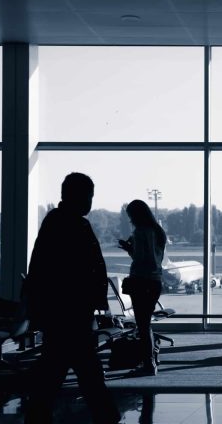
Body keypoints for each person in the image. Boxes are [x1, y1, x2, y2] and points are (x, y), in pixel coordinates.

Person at [24, 172, 121, 424]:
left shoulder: (56, 222)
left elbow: (40, 270)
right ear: (79, 196)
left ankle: (38, 415)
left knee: (58, 369)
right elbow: (83, 269)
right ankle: (106, 416)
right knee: (84, 371)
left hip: (61, 312)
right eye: (89, 197)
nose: (90, 202)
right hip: (72, 312)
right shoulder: (75, 225)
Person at [118, 199, 167, 376]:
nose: (130, 219)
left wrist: (128, 248)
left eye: (131, 215)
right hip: (155, 281)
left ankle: (148, 364)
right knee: (145, 324)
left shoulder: (140, 232)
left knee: (143, 325)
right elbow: (154, 258)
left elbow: (140, 258)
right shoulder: (158, 231)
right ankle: (150, 361)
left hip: (141, 281)